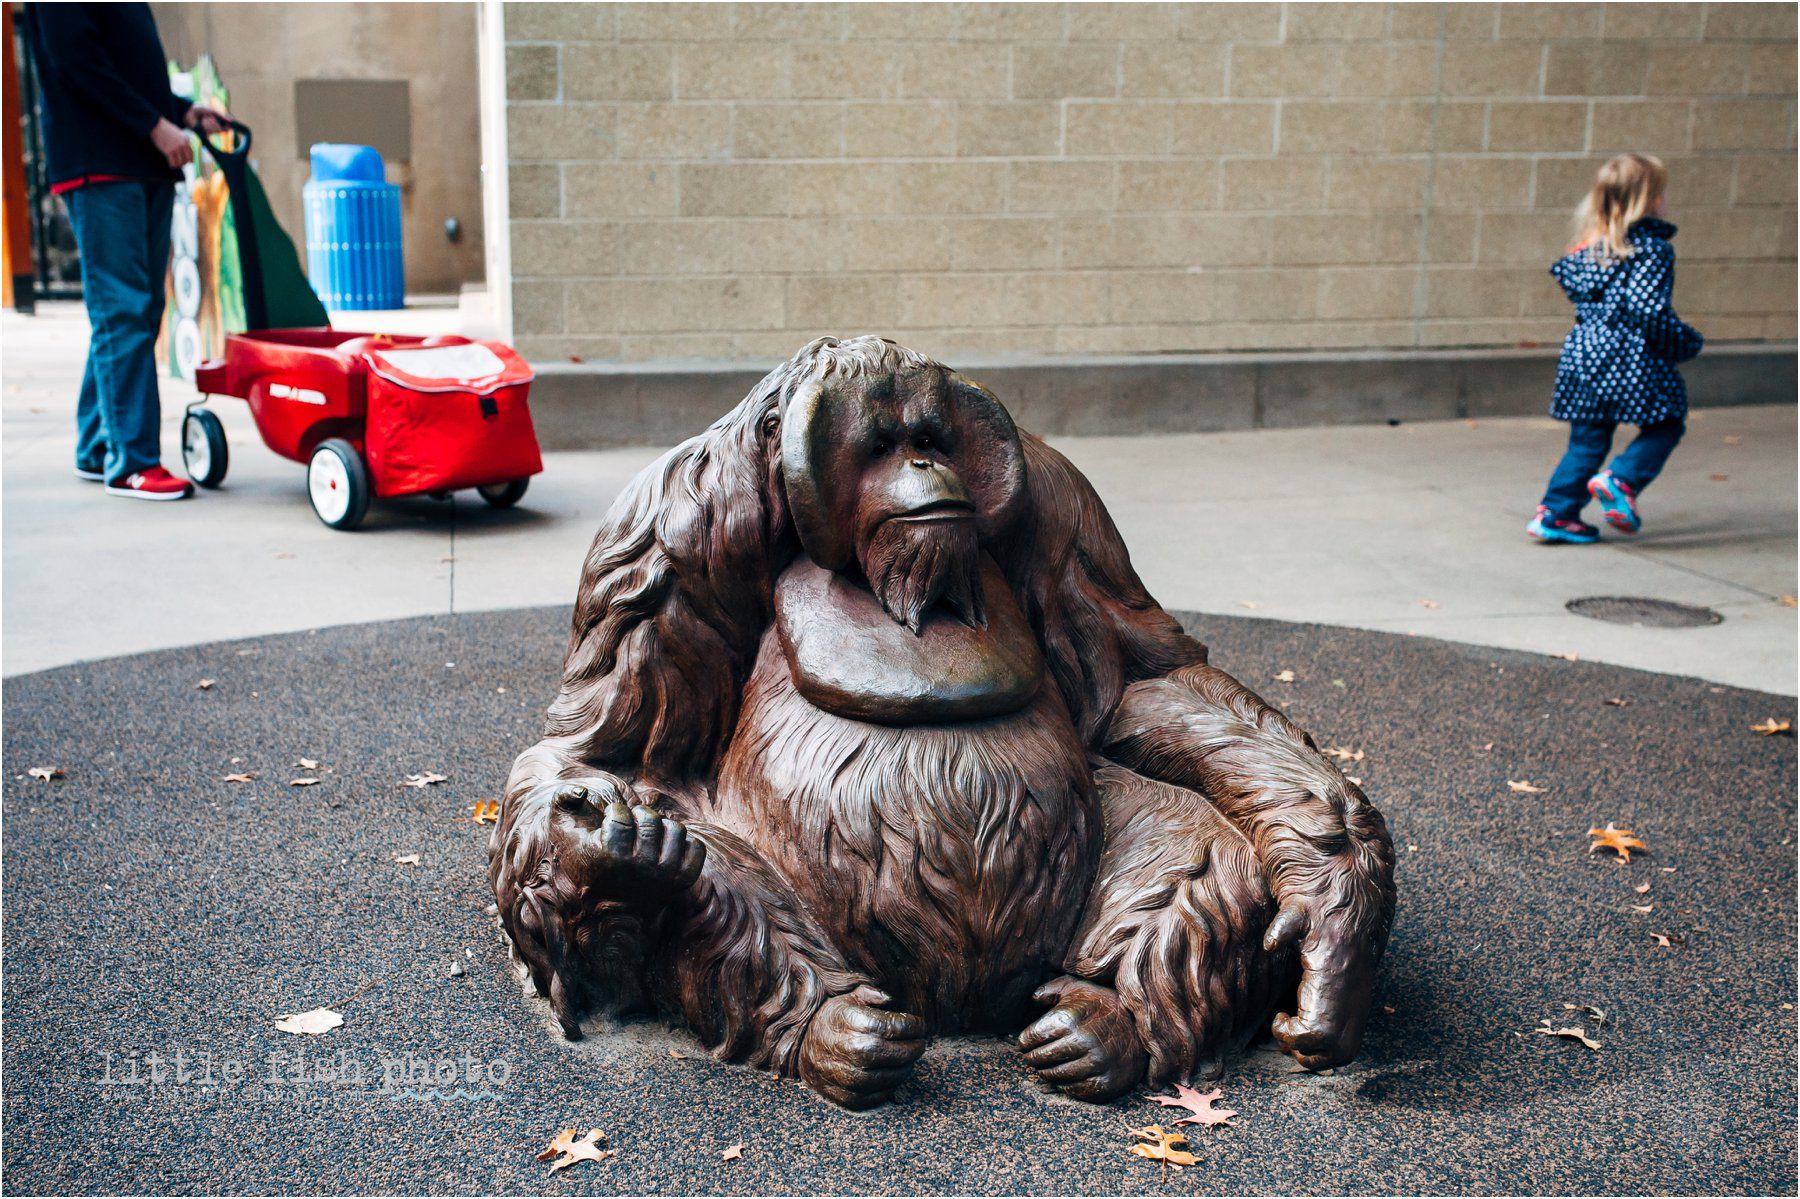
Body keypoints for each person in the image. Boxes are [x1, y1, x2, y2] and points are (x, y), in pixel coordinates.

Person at [24, 3, 228, 500]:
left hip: (144, 158)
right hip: (102, 163)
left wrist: (179, 113)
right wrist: (154, 126)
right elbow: (77, 62)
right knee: (123, 310)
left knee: (139, 312)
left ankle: (98, 444)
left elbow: (128, 65)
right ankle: (132, 462)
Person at [1527, 153, 1704, 545]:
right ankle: (1621, 480)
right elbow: (1646, 308)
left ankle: (1556, 513)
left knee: (1588, 438)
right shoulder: (1651, 250)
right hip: (1629, 355)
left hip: (1584, 353)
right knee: (1667, 421)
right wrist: (1682, 341)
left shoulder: (1586, 249)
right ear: (1649, 200)